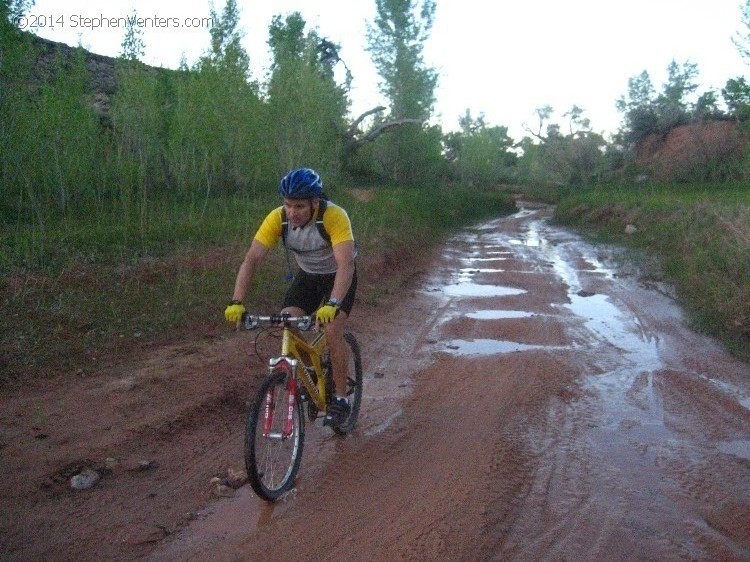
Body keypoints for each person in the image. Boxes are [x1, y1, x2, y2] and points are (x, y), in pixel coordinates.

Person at [224, 168, 357, 428]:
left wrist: (333, 303)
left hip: (338, 275)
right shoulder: (278, 219)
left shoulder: (334, 217)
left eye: (299, 206)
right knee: (288, 322)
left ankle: (341, 399)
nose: (292, 212)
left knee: (331, 330)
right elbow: (252, 259)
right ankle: (311, 372)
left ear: (315, 203)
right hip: (308, 276)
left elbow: (346, 265)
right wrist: (236, 300)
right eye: (287, 205)